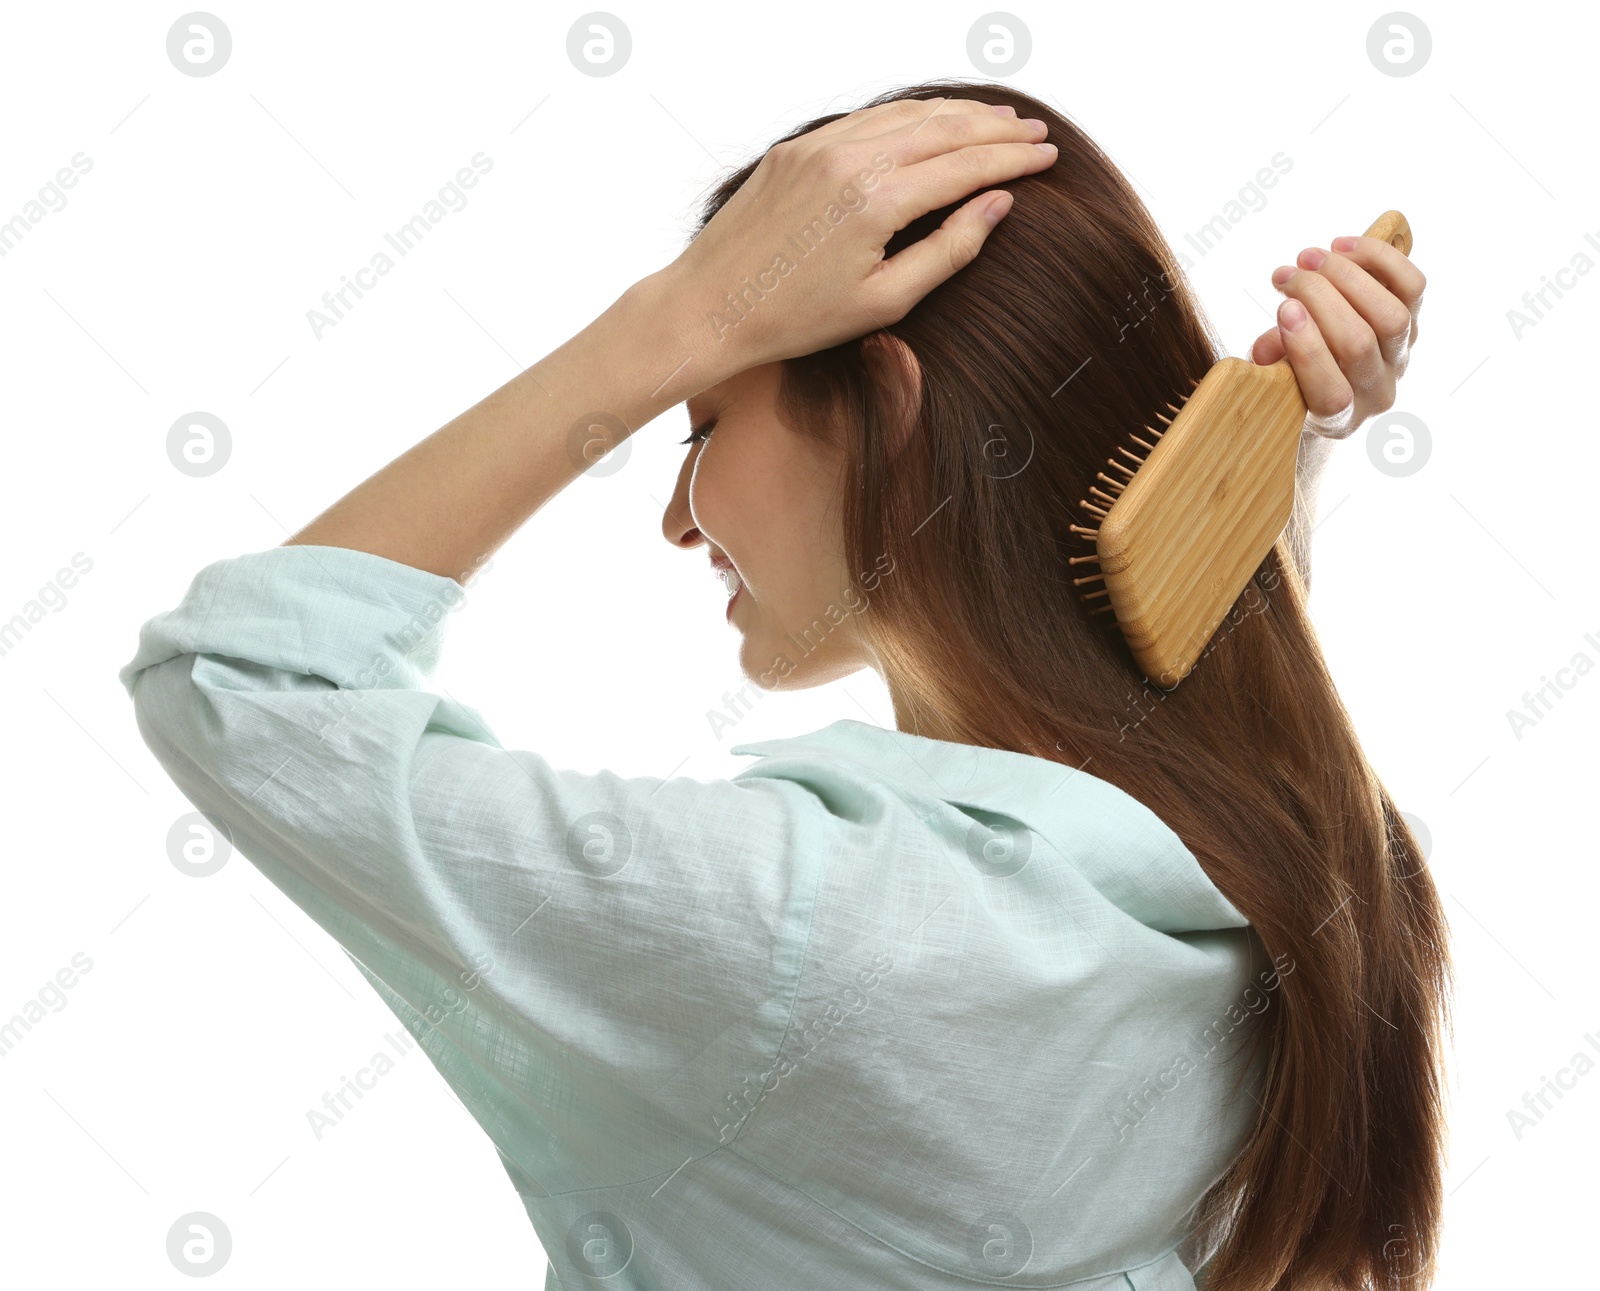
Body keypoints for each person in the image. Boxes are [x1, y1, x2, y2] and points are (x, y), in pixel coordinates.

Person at [119, 80, 1447, 1291]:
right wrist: (1273, 477)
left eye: (703, 424)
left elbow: (241, 683)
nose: (680, 521)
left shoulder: (801, 925)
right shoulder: (1275, 890)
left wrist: (678, 319)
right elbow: (1171, 712)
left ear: (887, 401)